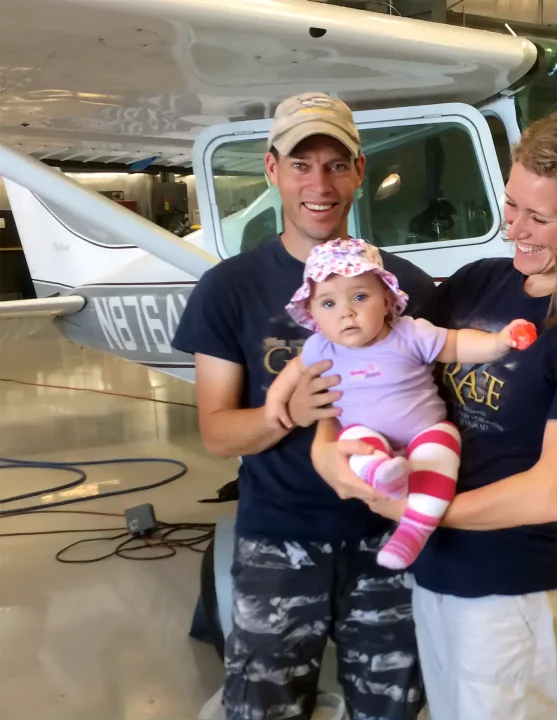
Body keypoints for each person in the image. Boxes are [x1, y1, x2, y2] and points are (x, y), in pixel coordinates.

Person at [313, 108, 557, 719]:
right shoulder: (478, 282)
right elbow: (370, 359)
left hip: (510, 586)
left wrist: (419, 512)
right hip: (434, 569)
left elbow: (550, 494)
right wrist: (327, 446)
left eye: (539, 218)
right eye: (511, 205)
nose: (515, 229)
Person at [171, 92, 435, 720]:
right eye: (300, 165)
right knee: (265, 709)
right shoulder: (229, 289)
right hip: (279, 541)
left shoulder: (404, 286)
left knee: (391, 709)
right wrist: (282, 411)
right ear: (272, 170)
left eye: (337, 165)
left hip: (388, 536)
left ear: (359, 172)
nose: (320, 184)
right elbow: (217, 434)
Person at [264, 236, 536, 570]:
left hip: (426, 432)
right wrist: (275, 401)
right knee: (353, 444)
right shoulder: (321, 348)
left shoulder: (409, 333)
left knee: (443, 449)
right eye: (328, 303)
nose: (346, 312)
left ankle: (413, 531)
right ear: (312, 313)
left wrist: (498, 342)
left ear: (386, 299)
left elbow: (456, 345)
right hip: (367, 436)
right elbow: (293, 372)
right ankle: (384, 474)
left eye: (360, 297)